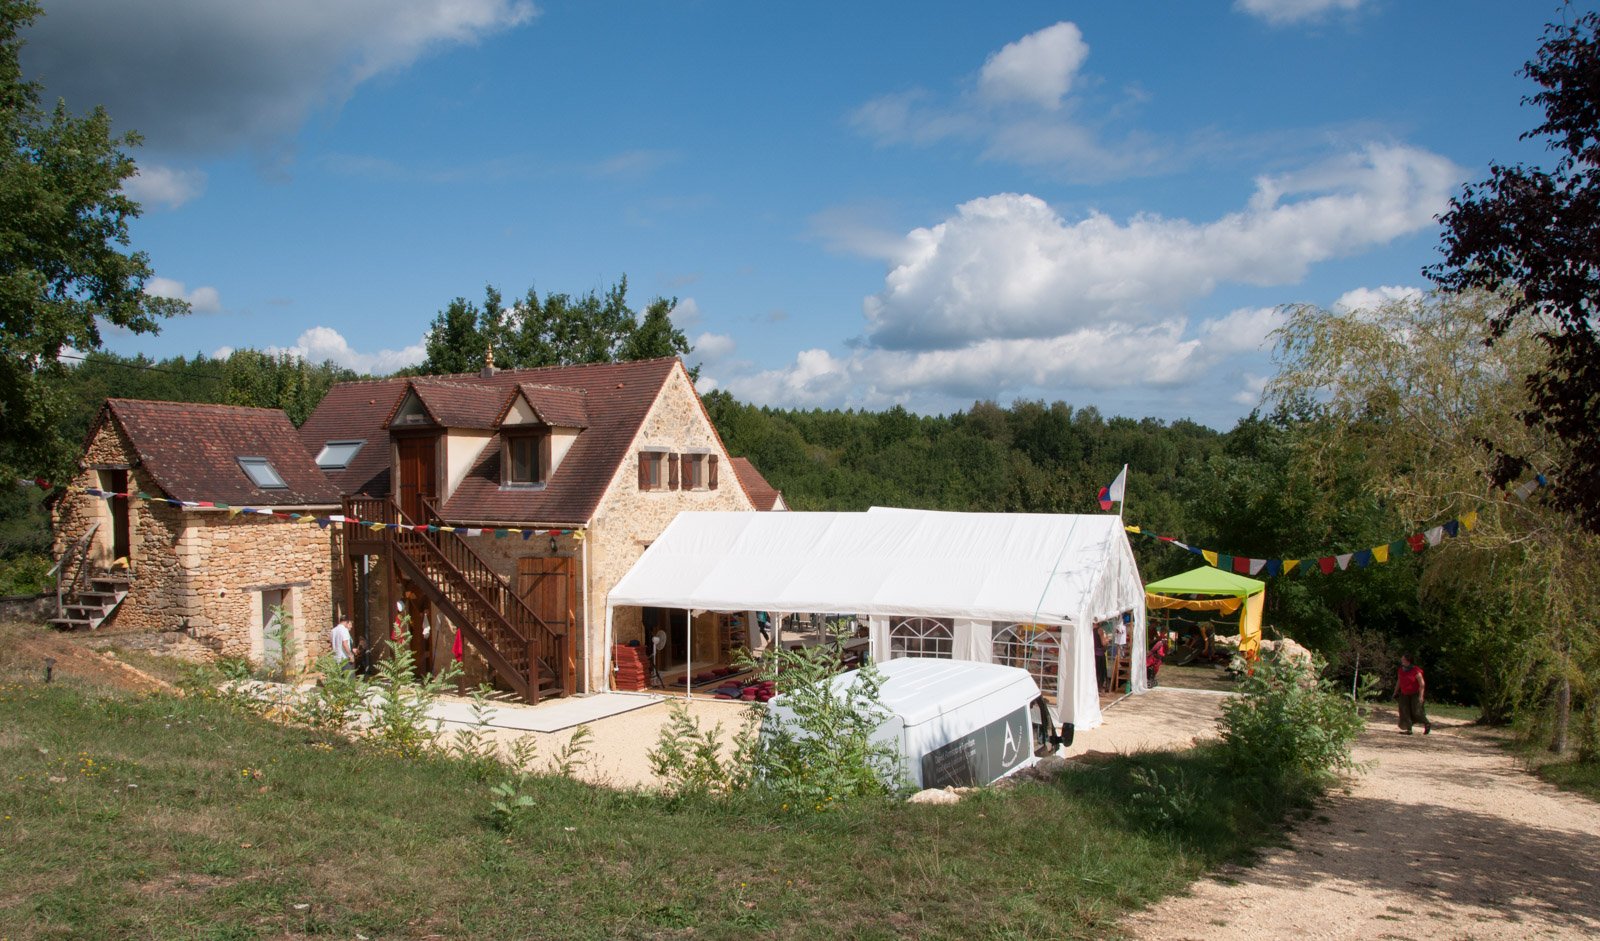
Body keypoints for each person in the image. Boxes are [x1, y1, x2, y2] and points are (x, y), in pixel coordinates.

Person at [1395, 654, 1432, 735]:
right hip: (1404, 693)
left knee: (1416, 711)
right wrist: (1395, 692)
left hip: (1415, 694)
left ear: (1408, 660)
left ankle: (1427, 723)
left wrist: (1421, 696)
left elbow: (1422, 684)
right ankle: (1409, 729)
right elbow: (1399, 681)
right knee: (1405, 711)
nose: (1402, 660)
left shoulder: (1416, 670)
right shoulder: (1401, 670)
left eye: (1403, 659)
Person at [1093, 620, 1109, 691]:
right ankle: (1100, 689)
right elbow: (1103, 643)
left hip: (1092, 654)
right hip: (1099, 654)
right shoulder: (1100, 630)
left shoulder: (1089, 629)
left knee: (1094, 672)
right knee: (1100, 673)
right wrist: (1107, 640)